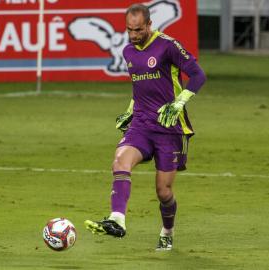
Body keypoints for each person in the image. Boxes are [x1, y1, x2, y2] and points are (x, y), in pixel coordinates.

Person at [84, 3, 206, 251]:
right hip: (141, 125)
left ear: (150, 25)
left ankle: (167, 231)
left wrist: (180, 102)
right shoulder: (129, 52)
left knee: (163, 191)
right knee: (120, 161)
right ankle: (117, 220)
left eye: (138, 30)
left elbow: (198, 75)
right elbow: (139, 89)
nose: (133, 35)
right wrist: (130, 112)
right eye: (129, 30)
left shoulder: (168, 46)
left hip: (169, 128)